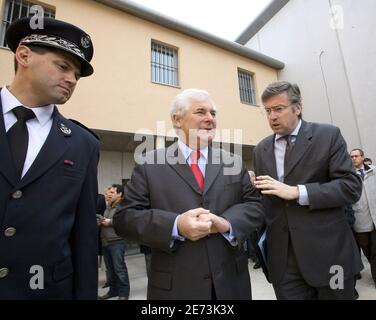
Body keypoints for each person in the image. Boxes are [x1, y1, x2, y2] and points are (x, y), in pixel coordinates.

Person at [113, 88, 264, 300]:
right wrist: (176, 225)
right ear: (177, 119)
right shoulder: (149, 164)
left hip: (231, 284)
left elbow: (255, 206)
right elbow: (124, 219)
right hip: (176, 288)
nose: (210, 119)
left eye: (213, 113)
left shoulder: (233, 161)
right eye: (201, 112)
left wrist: (226, 223)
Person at [0, 17, 99, 299]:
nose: (71, 79)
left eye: (77, 76)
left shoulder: (83, 144)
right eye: (63, 66)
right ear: (24, 54)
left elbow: (84, 239)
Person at [253, 81, 363, 300]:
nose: (272, 116)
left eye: (279, 109)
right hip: (284, 264)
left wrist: (298, 192)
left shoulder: (327, 135)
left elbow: (350, 187)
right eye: (268, 111)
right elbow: (262, 202)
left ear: (298, 107)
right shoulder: (260, 149)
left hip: (331, 256)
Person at [98, 184, 130, 300]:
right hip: (106, 241)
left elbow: (125, 221)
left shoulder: (123, 206)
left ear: (119, 194)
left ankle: (124, 294)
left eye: (112, 192)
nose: (109, 194)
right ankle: (113, 291)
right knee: (110, 270)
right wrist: (101, 221)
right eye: (108, 192)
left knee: (119, 269)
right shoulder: (109, 206)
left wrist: (110, 222)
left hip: (117, 242)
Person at [350, 148, 376, 288]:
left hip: (374, 216)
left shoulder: (373, 170)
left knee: (375, 251)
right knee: (366, 249)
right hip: (359, 220)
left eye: (356, 156)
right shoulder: (348, 175)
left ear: (362, 157)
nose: (354, 158)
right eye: (352, 156)